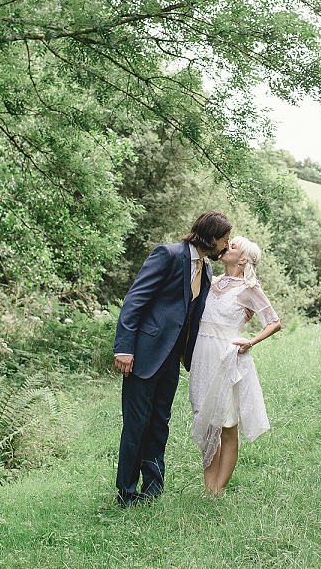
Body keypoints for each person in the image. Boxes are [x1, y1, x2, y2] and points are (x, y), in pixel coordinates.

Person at [113, 211, 232, 506]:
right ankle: (126, 494)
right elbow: (135, 300)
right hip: (144, 353)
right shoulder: (167, 255)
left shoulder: (205, 271)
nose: (226, 247)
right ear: (212, 237)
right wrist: (124, 348)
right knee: (136, 423)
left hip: (172, 360)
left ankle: (152, 490)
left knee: (159, 423)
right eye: (225, 241)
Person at [189, 236, 281, 496]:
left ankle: (218, 488)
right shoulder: (211, 281)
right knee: (206, 421)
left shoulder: (248, 288)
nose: (225, 247)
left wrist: (250, 342)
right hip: (202, 357)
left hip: (227, 359)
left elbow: (273, 322)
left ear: (242, 259)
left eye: (232, 246)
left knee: (227, 425)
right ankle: (208, 489)